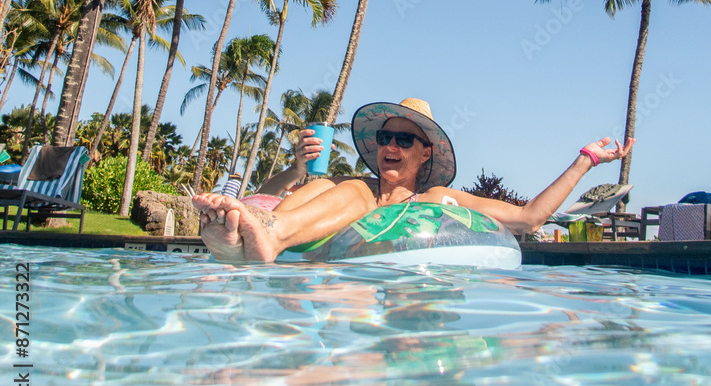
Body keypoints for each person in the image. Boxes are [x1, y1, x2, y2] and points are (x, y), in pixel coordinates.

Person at [192, 97, 635, 264]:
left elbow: (529, 219)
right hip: (309, 261)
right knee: (338, 186)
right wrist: (296, 171)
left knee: (354, 191)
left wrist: (586, 160)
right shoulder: (347, 187)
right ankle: (253, 238)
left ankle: (266, 239)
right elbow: (265, 199)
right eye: (386, 137)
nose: (392, 145)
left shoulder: (436, 196)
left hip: (369, 293)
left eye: (405, 139)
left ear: (426, 153)